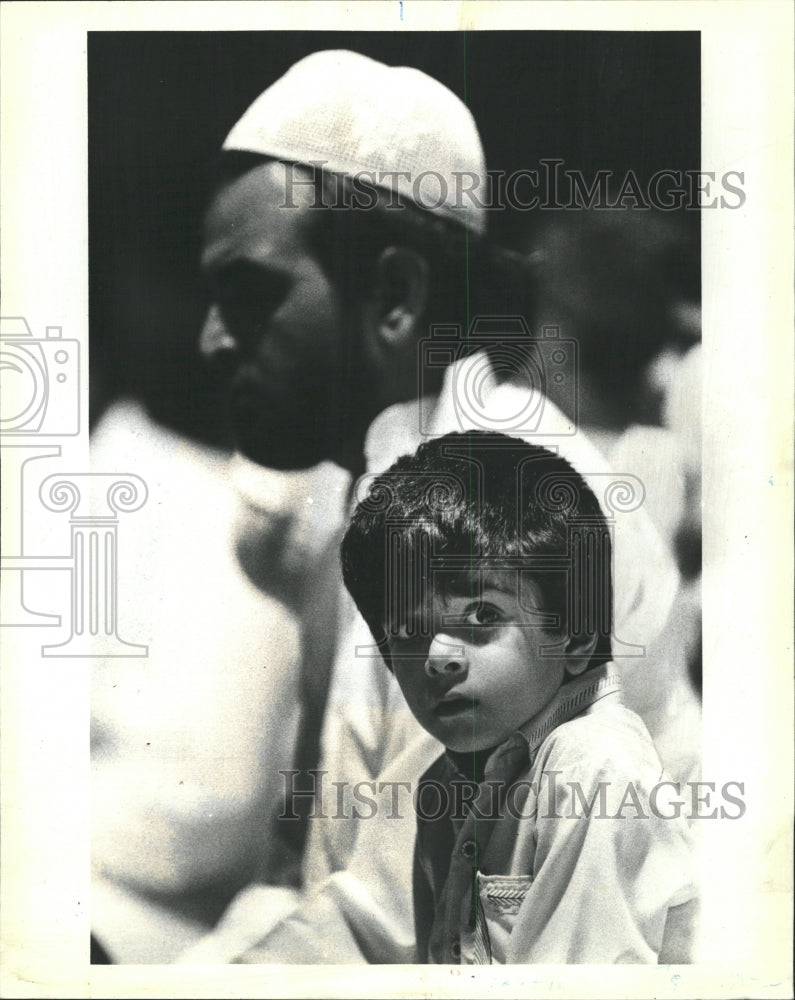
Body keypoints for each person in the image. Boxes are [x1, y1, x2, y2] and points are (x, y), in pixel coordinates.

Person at [185, 49, 682, 963]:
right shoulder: (361, 501)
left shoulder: (522, 504)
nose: (214, 342)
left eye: (248, 297)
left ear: (395, 296)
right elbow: (299, 877)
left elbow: (385, 930)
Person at [339, 430, 699, 963]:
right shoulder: (447, 781)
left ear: (576, 634)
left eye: (483, 616)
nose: (439, 657)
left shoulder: (593, 768)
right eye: (409, 632)